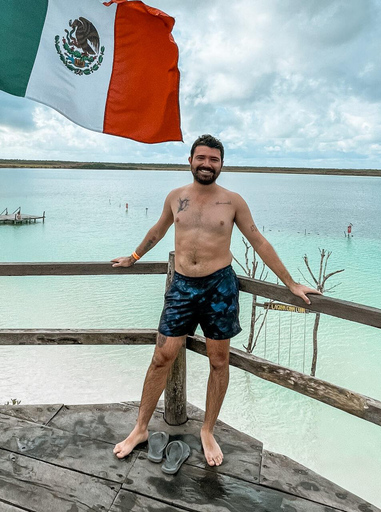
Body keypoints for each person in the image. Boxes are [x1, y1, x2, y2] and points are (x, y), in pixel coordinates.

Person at [110, 134, 319, 467]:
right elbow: (158, 230)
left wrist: (291, 284)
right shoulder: (175, 197)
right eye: (201, 158)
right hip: (181, 287)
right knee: (162, 356)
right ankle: (139, 429)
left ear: (222, 164)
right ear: (190, 160)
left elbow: (259, 242)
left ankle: (208, 430)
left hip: (219, 287)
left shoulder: (232, 201)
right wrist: (134, 256)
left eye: (214, 160)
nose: (207, 164)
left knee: (219, 361)